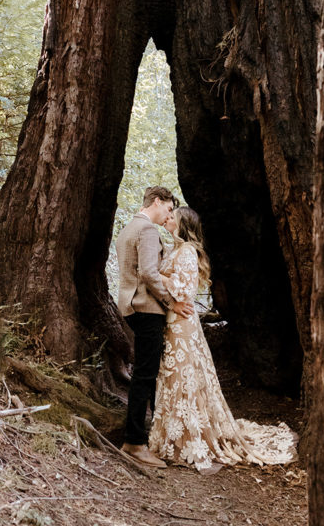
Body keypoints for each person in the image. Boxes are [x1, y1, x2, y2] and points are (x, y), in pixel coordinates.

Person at [148, 206, 298, 473]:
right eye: (168, 215)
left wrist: (155, 274)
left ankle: (190, 438)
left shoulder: (187, 252)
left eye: (174, 217)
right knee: (174, 376)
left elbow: (185, 290)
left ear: (184, 225)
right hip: (173, 321)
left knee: (184, 377)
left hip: (182, 323)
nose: (168, 218)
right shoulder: (174, 249)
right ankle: (174, 435)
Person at [115, 186, 194, 468]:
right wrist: (171, 302)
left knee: (144, 374)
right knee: (145, 376)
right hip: (146, 308)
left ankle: (147, 437)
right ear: (157, 202)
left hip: (130, 306)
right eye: (169, 209)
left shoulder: (128, 228)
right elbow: (149, 272)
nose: (169, 215)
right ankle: (134, 443)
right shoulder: (147, 230)